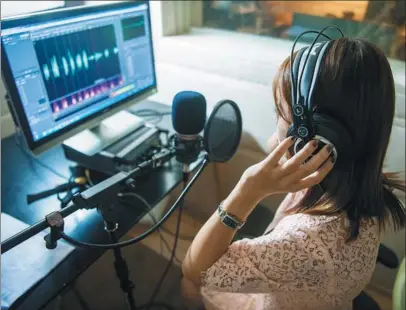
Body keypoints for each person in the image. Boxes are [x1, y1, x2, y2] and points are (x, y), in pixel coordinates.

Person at [180, 37, 406, 310]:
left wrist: (247, 190)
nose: (275, 124)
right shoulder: (360, 176)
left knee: (188, 286)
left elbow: (194, 269)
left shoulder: (305, 242)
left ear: (313, 139)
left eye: (278, 113)